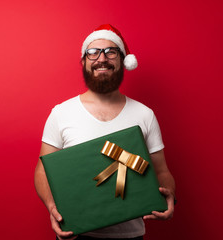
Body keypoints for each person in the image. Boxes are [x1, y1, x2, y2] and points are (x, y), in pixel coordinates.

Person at [34, 24, 176, 240]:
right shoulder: (61, 113)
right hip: (76, 232)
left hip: (130, 235)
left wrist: (169, 196)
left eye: (111, 52)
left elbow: (162, 171)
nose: (102, 59)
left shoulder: (145, 115)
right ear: (83, 62)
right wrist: (53, 208)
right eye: (93, 52)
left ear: (122, 60)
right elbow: (43, 171)